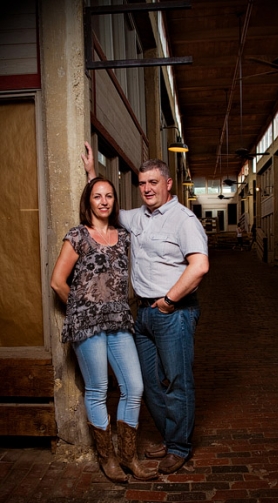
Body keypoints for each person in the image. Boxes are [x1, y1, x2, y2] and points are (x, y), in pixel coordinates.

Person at [83, 143, 209, 475]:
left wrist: (169, 301)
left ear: (168, 184)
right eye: (142, 183)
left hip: (174, 312)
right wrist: (93, 176)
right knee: (149, 383)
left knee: (177, 380)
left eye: (154, 182)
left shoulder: (184, 220)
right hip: (144, 314)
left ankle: (180, 446)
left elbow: (199, 266)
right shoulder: (136, 216)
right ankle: (170, 437)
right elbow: (106, 210)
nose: (147, 188)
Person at [51, 177, 157, 483]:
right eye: (97, 196)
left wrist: (91, 171)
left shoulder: (123, 237)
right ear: (89, 201)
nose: (104, 201)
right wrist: (81, 308)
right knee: (97, 390)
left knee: (134, 387)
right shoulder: (78, 236)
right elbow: (58, 281)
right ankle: (107, 459)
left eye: (109, 196)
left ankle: (129, 457)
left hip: (118, 320)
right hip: (87, 324)